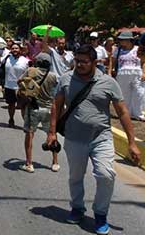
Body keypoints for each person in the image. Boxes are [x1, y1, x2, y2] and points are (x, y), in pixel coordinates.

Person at [46, 45, 141, 235]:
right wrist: (52, 132)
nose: (79, 65)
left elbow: (122, 112)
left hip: (101, 137)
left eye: (84, 62)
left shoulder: (108, 82)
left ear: (95, 62)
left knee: (106, 175)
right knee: (75, 177)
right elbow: (56, 106)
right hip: (74, 138)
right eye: (77, 61)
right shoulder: (66, 79)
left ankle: (100, 214)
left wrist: (132, 142)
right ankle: (77, 208)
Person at [17, 53, 60, 173]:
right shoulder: (53, 76)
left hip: (33, 107)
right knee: (51, 134)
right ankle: (55, 162)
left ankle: (29, 163)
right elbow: (55, 94)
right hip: (48, 109)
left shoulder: (31, 71)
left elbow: (19, 82)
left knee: (29, 134)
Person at [111, 31, 145, 121]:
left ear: (129, 40)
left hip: (137, 72)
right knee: (124, 94)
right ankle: (126, 113)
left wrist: (144, 72)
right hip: (122, 73)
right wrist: (111, 71)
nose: (120, 41)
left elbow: (144, 61)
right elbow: (113, 61)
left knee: (139, 93)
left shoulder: (138, 49)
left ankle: (138, 114)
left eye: (122, 40)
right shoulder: (118, 50)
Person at [2, 43, 30, 127]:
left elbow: (29, 72)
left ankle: (26, 124)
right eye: (13, 48)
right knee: (11, 105)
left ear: (20, 50)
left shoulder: (25, 61)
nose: (14, 50)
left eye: (16, 48)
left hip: (21, 87)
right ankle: (11, 119)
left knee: (23, 106)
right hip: (9, 85)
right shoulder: (7, 58)